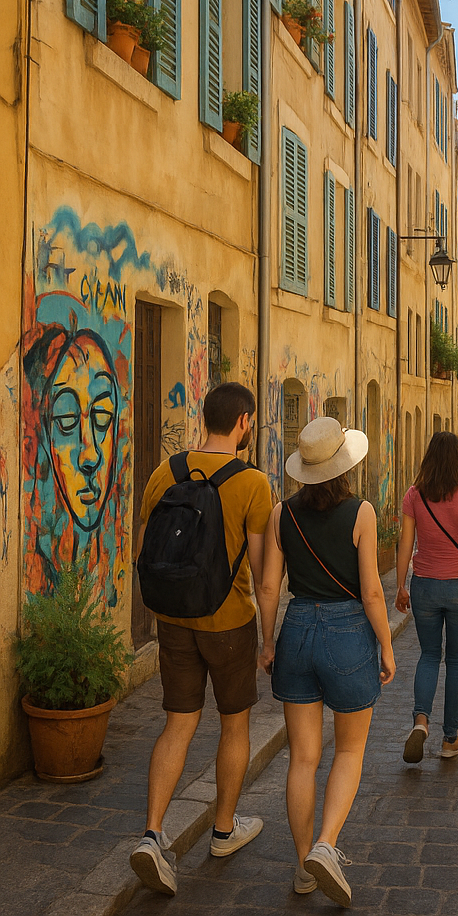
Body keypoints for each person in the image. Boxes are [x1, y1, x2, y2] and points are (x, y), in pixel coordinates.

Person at [130, 383, 272, 897]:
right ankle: (223, 830)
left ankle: (152, 834)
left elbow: (149, 545)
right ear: (243, 423)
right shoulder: (253, 483)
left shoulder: (163, 473)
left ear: (204, 417)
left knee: (177, 724)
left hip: (174, 620)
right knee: (234, 726)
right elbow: (262, 572)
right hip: (229, 622)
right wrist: (269, 636)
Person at [255, 417, 395, 905]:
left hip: (295, 631)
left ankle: (302, 867)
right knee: (350, 751)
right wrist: (387, 645)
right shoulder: (362, 512)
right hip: (348, 632)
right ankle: (327, 845)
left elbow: (269, 586)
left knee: (303, 757)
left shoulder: (281, 515)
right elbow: (373, 590)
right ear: (345, 466)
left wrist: (267, 642)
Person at [395, 432, 458, 762]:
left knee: (427, 656)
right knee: (456, 661)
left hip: (423, 585)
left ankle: (420, 721)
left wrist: (401, 585)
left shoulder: (414, 495)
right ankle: (450, 738)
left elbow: (405, 545)